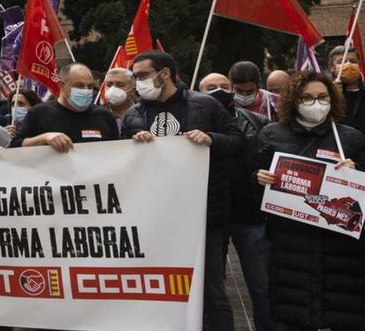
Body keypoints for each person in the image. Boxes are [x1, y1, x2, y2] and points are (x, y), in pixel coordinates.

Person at [123, 50, 244, 331]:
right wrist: (133, 143)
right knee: (165, 289)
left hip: (205, 217)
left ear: (164, 74)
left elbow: (238, 141)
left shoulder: (206, 105)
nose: (136, 82)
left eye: (141, 75)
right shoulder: (134, 114)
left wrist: (211, 139)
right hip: (157, 220)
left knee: (212, 291)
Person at [255, 71, 365, 329]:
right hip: (291, 241)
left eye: (322, 97)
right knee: (293, 311)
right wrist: (259, 178)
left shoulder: (350, 137)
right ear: (293, 100)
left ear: (332, 98)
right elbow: (251, 178)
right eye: (307, 98)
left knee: (347, 310)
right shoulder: (271, 134)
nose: (316, 103)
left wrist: (358, 176)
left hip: (341, 245)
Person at [198, 72, 272, 331]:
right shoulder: (191, 123)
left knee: (261, 284)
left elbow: (266, 160)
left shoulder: (256, 121)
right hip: (212, 218)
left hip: (247, 215)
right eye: (210, 87)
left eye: (223, 86)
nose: (218, 91)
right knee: (212, 288)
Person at [329, 44, 365, 265]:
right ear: (331, 68)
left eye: (352, 60)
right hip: (342, 176)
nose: (348, 65)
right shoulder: (326, 98)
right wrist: (332, 96)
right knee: (350, 244)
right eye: (341, 61)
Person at [11, 63, 119, 151]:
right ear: (61, 85)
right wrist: (43, 138)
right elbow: (14, 147)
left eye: (90, 86)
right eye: (79, 85)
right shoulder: (39, 113)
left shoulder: (104, 116)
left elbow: (118, 151)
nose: (86, 90)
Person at [102, 67, 135, 133]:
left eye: (120, 85)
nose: (113, 89)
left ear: (132, 91)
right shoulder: (97, 115)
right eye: (109, 85)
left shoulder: (144, 113)